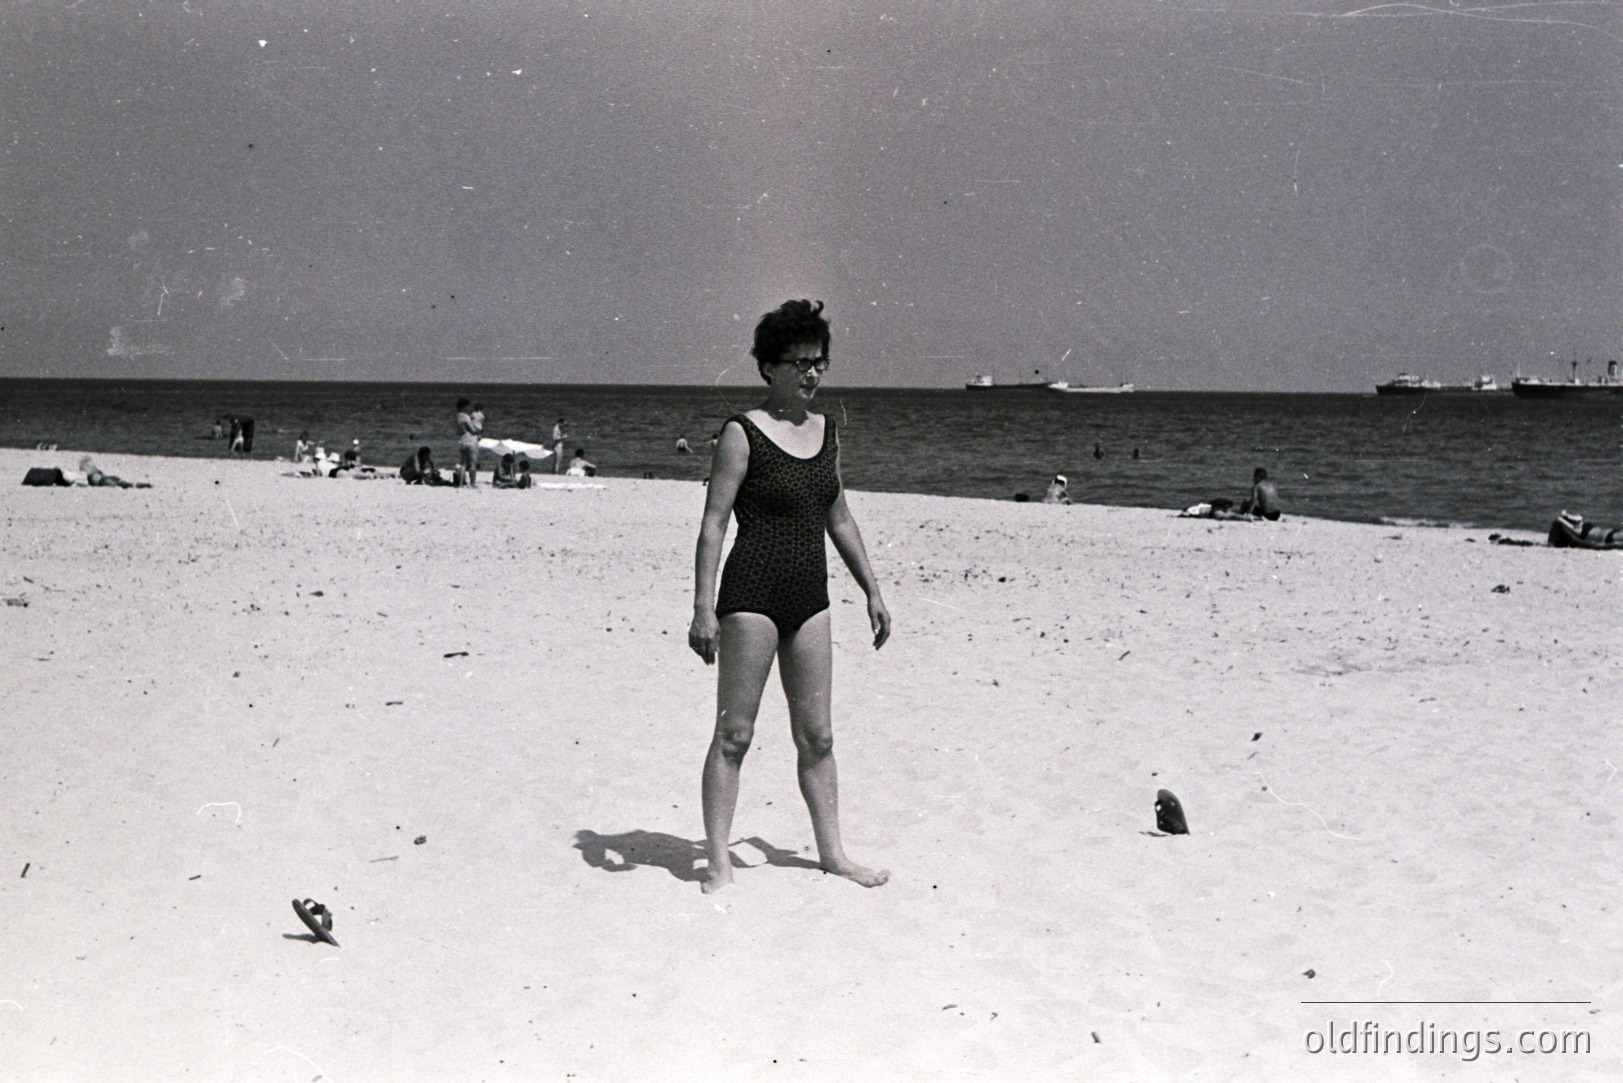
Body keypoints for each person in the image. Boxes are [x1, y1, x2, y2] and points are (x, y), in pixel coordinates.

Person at [688, 299, 891, 894]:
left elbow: (841, 517)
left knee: (818, 737)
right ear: (768, 367)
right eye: (799, 363)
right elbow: (712, 525)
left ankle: (833, 854)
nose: (810, 374)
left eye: (819, 363)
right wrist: (703, 607)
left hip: (811, 596)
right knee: (735, 735)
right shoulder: (741, 432)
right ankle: (719, 861)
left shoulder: (828, 432)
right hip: (750, 592)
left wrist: (872, 590)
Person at [455, 398, 481, 487]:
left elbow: (459, 430)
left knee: (462, 463)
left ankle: (461, 483)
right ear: (464, 406)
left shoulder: (457, 416)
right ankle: (472, 483)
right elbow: (472, 429)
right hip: (470, 440)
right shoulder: (465, 416)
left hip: (462, 440)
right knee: (472, 463)